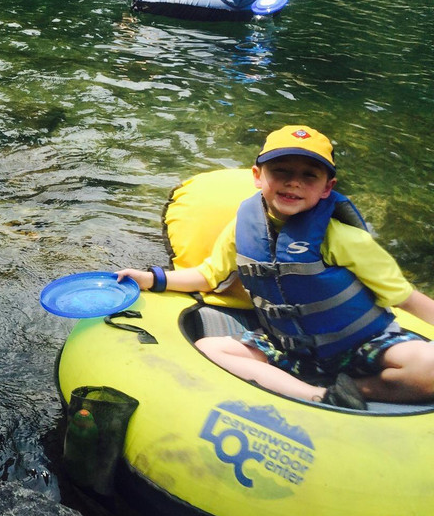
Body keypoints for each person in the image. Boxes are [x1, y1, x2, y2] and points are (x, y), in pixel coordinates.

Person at [117, 125, 434, 411]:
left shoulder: (344, 239)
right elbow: (208, 275)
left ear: (327, 187)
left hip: (360, 345)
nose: (294, 182)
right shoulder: (242, 227)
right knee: (207, 347)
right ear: (257, 176)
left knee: (430, 366)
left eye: (309, 175)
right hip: (287, 348)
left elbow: (405, 297)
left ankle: (357, 390)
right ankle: (318, 395)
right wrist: (151, 279)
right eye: (281, 171)